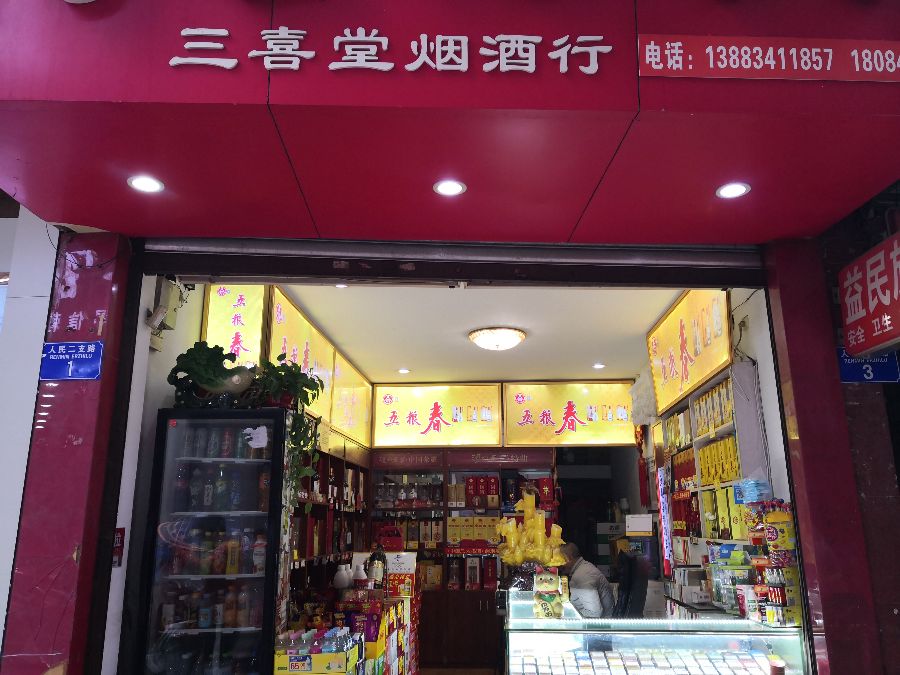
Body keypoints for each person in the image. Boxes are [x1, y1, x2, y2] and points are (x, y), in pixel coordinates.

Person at [560, 542, 615, 618]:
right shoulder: (584, 566)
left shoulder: (582, 576)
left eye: (559, 559)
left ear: (568, 558)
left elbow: (594, 613)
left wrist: (568, 612)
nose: (558, 565)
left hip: (599, 623)